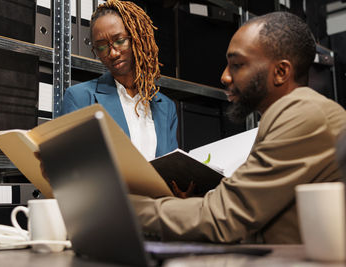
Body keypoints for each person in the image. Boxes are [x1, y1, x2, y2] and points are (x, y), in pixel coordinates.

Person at [130, 11, 346, 244]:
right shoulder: (287, 115)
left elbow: (224, 217)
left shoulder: (305, 114)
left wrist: (123, 206)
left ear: (281, 72)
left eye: (237, 64)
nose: (224, 77)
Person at [62, 0, 178, 160]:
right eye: (102, 47)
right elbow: (69, 165)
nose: (113, 53)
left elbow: (171, 165)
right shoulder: (79, 98)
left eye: (119, 40)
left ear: (137, 38)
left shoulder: (166, 107)